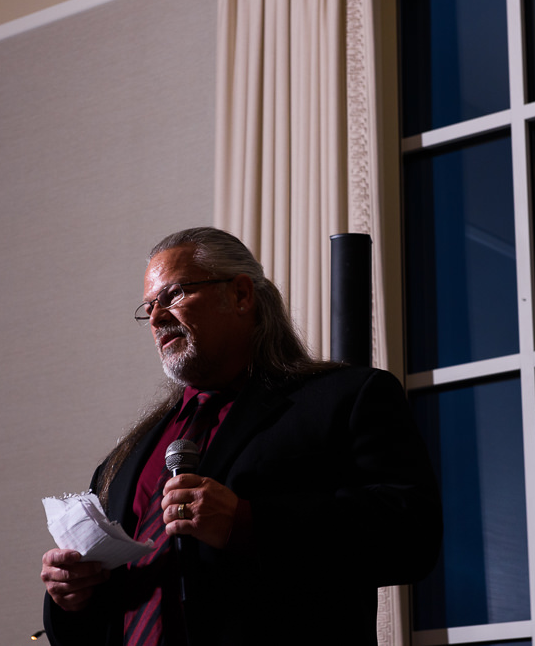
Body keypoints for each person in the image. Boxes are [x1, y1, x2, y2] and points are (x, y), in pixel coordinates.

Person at [41, 227, 442, 646]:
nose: (157, 317)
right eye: (149, 307)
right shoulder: (122, 462)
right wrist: (70, 597)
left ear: (241, 295)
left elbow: (412, 534)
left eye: (173, 295)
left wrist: (248, 523)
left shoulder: (344, 399)